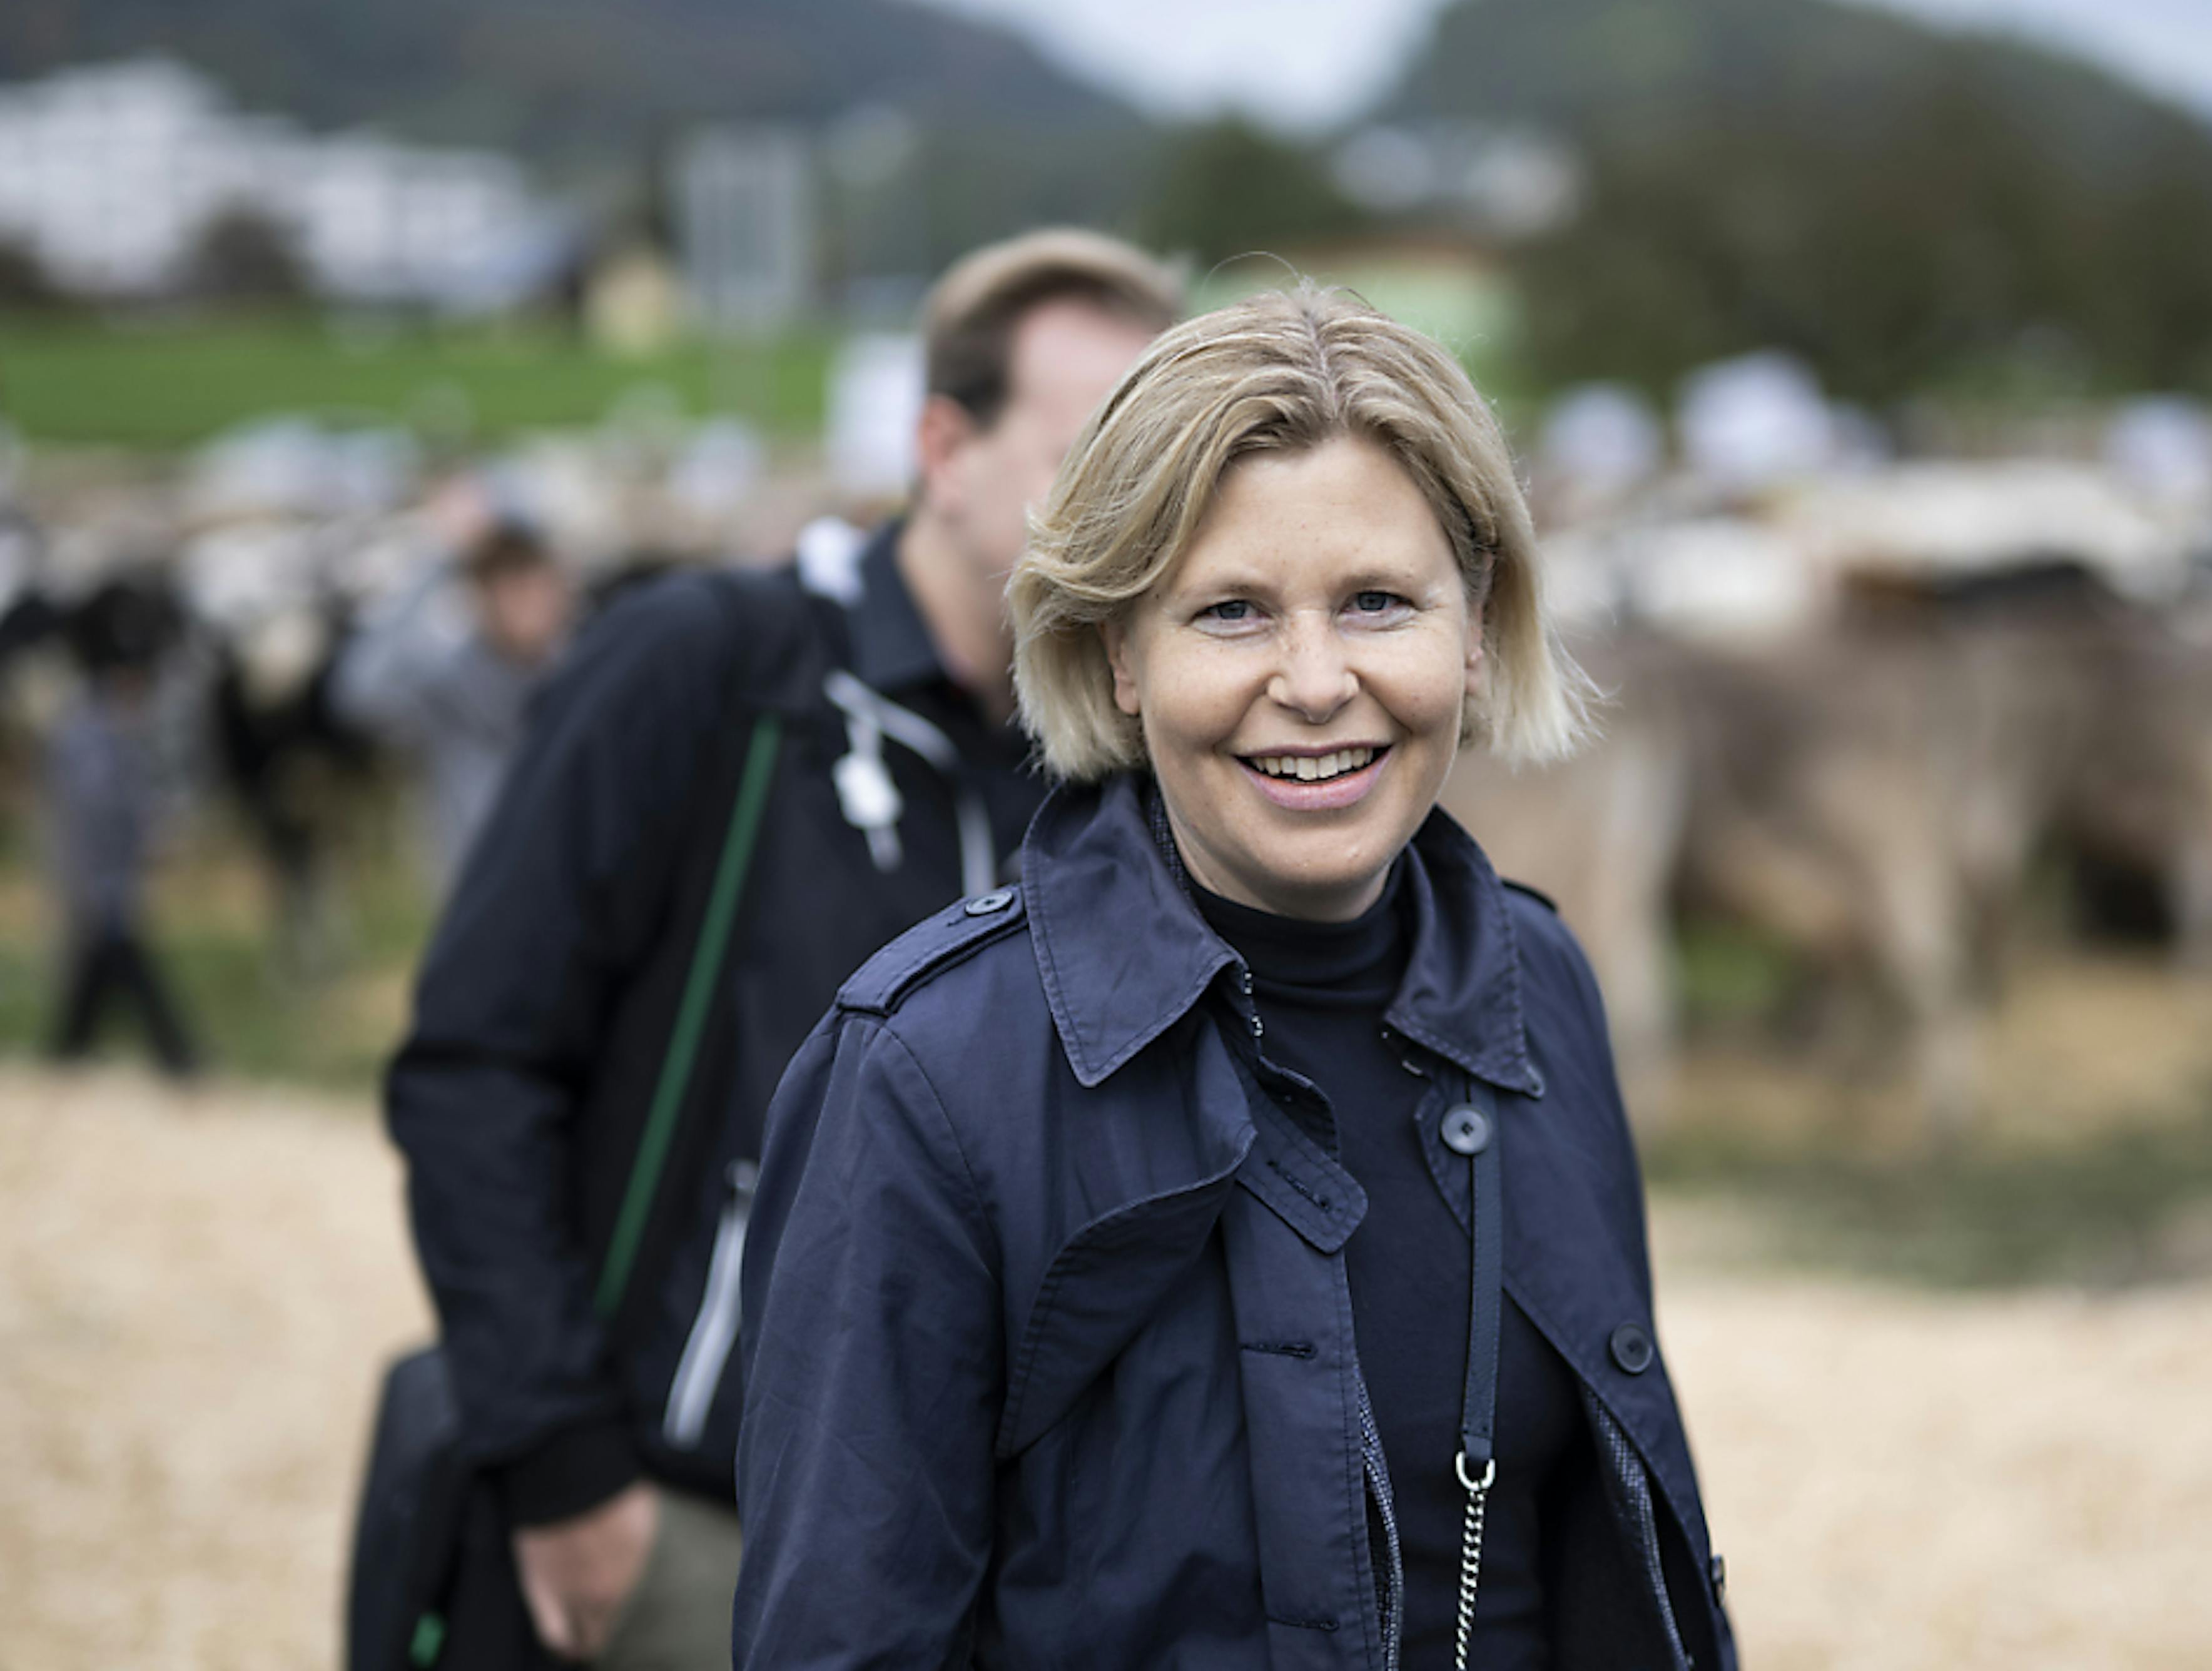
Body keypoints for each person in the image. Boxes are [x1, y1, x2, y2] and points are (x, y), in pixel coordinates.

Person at [737, 289, 1738, 1668]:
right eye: (1232, 613)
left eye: (1378, 601)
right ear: (1117, 654)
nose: (1317, 682)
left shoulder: (1540, 985)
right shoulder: (925, 1073)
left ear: (1474, 622)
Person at [385, 230, 1180, 1669]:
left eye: (1164, 477)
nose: (1136, 521)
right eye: (1092, 461)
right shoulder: (707, 668)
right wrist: (562, 1462)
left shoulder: (1129, 773)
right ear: (943, 445)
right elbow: (473, 1059)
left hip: (984, 1569)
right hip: (685, 1512)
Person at [331, 485, 576, 894]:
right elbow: (356, 694)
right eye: (508, 585)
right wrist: (434, 563)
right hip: (473, 901)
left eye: (535, 580)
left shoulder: (586, 675)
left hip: (574, 901)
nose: (527, 600)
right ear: (480, 596)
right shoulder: (447, 683)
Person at [47, 582, 199, 1075]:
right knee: (124, 963)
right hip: (99, 876)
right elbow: (94, 810)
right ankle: (177, 1058)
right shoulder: (89, 730)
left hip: (110, 876)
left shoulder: (112, 727)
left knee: (98, 973)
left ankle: (68, 1055)